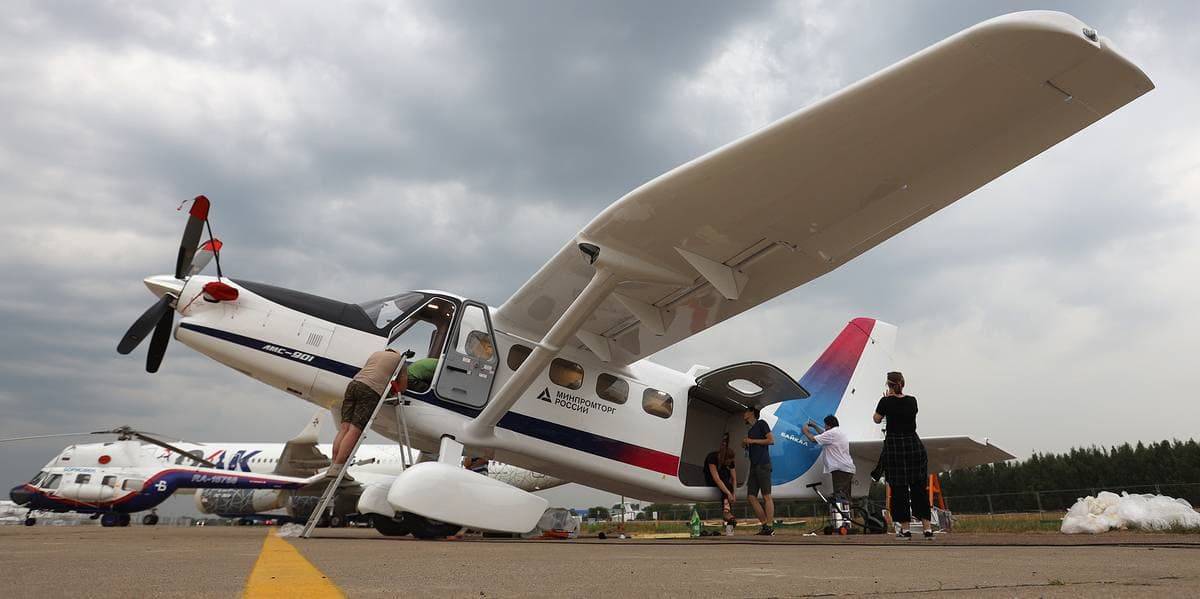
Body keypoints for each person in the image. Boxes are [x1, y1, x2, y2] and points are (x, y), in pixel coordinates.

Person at [873, 371, 932, 539]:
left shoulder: (885, 402)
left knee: (899, 489)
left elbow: (877, 419)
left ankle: (905, 529)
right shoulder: (912, 401)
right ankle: (927, 528)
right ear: (902, 383)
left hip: (895, 447)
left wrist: (887, 400)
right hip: (914, 445)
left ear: (888, 385)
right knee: (918, 487)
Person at [330, 349, 408, 477]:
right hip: (370, 390)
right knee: (355, 431)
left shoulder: (375, 354)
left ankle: (333, 466)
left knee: (344, 429)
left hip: (354, 385)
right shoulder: (400, 360)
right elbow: (403, 387)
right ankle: (338, 468)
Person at [802, 414, 856, 502]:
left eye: (825, 425)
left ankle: (842, 515)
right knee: (845, 497)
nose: (824, 427)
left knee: (840, 497)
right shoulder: (838, 432)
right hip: (846, 469)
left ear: (828, 425)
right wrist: (815, 426)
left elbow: (813, 439)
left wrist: (805, 430)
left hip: (840, 470)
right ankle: (847, 514)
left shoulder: (831, 433)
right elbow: (824, 434)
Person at [741, 407, 775, 535]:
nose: (744, 414)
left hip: (763, 464)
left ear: (751, 413)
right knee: (751, 496)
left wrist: (752, 441)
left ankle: (770, 525)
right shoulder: (750, 430)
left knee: (767, 495)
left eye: (746, 411)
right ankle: (765, 525)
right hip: (754, 465)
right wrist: (746, 444)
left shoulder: (762, 423)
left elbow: (771, 440)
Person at [704, 433, 738, 534]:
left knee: (727, 480)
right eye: (728, 462)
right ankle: (726, 512)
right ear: (724, 459)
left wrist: (734, 493)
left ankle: (727, 512)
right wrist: (728, 493)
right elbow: (717, 479)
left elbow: (734, 479)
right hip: (711, 478)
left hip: (723, 479)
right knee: (724, 479)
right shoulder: (712, 458)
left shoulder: (730, 462)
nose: (729, 464)